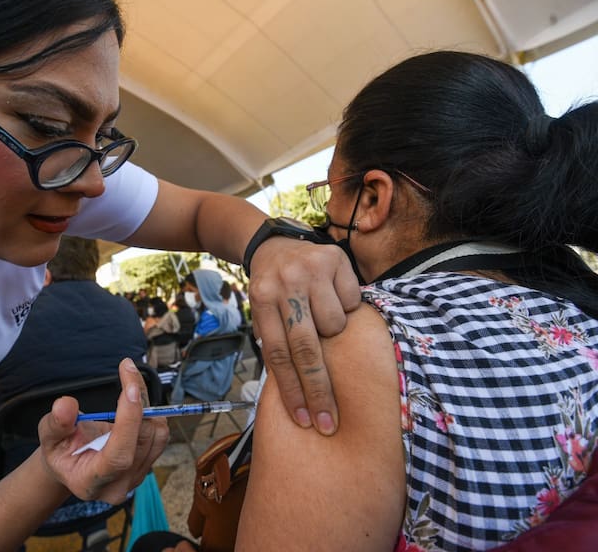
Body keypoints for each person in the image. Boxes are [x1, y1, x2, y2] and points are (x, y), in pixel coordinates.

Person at [0, 0, 358, 548]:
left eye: (102, 135)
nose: (91, 185)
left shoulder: (43, 175)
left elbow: (203, 213)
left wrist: (273, 246)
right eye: (48, 124)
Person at [141, 51, 598, 551]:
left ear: (375, 198)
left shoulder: (357, 340)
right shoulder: (582, 304)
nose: (325, 216)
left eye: (330, 191)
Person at [0, 235, 146, 551]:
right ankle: (96, 528)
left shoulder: (10, 318)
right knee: (96, 420)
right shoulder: (126, 313)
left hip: (23, 502)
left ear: (41, 264)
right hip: (112, 486)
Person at [171, 270, 242, 403]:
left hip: (204, 380)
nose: (188, 294)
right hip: (224, 377)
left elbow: (195, 354)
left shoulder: (210, 316)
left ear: (204, 290)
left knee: (164, 379)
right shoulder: (229, 312)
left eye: (191, 290)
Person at [144, 296, 182, 369]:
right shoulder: (171, 317)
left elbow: (144, 337)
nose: (149, 308)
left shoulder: (150, 321)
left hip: (155, 358)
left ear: (155, 307)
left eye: (150, 306)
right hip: (172, 355)